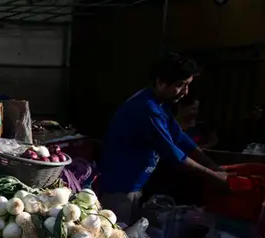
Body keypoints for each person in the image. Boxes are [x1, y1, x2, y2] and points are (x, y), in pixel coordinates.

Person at [98, 54, 228, 225]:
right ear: (160, 82)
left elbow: (179, 137)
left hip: (133, 187)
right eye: (180, 85)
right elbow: (174, 154)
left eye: (187, 85)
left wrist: (211, 164)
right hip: (119, 189)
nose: (185, 92)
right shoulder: (147, 109)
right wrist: (214, 176)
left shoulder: (160, 105)